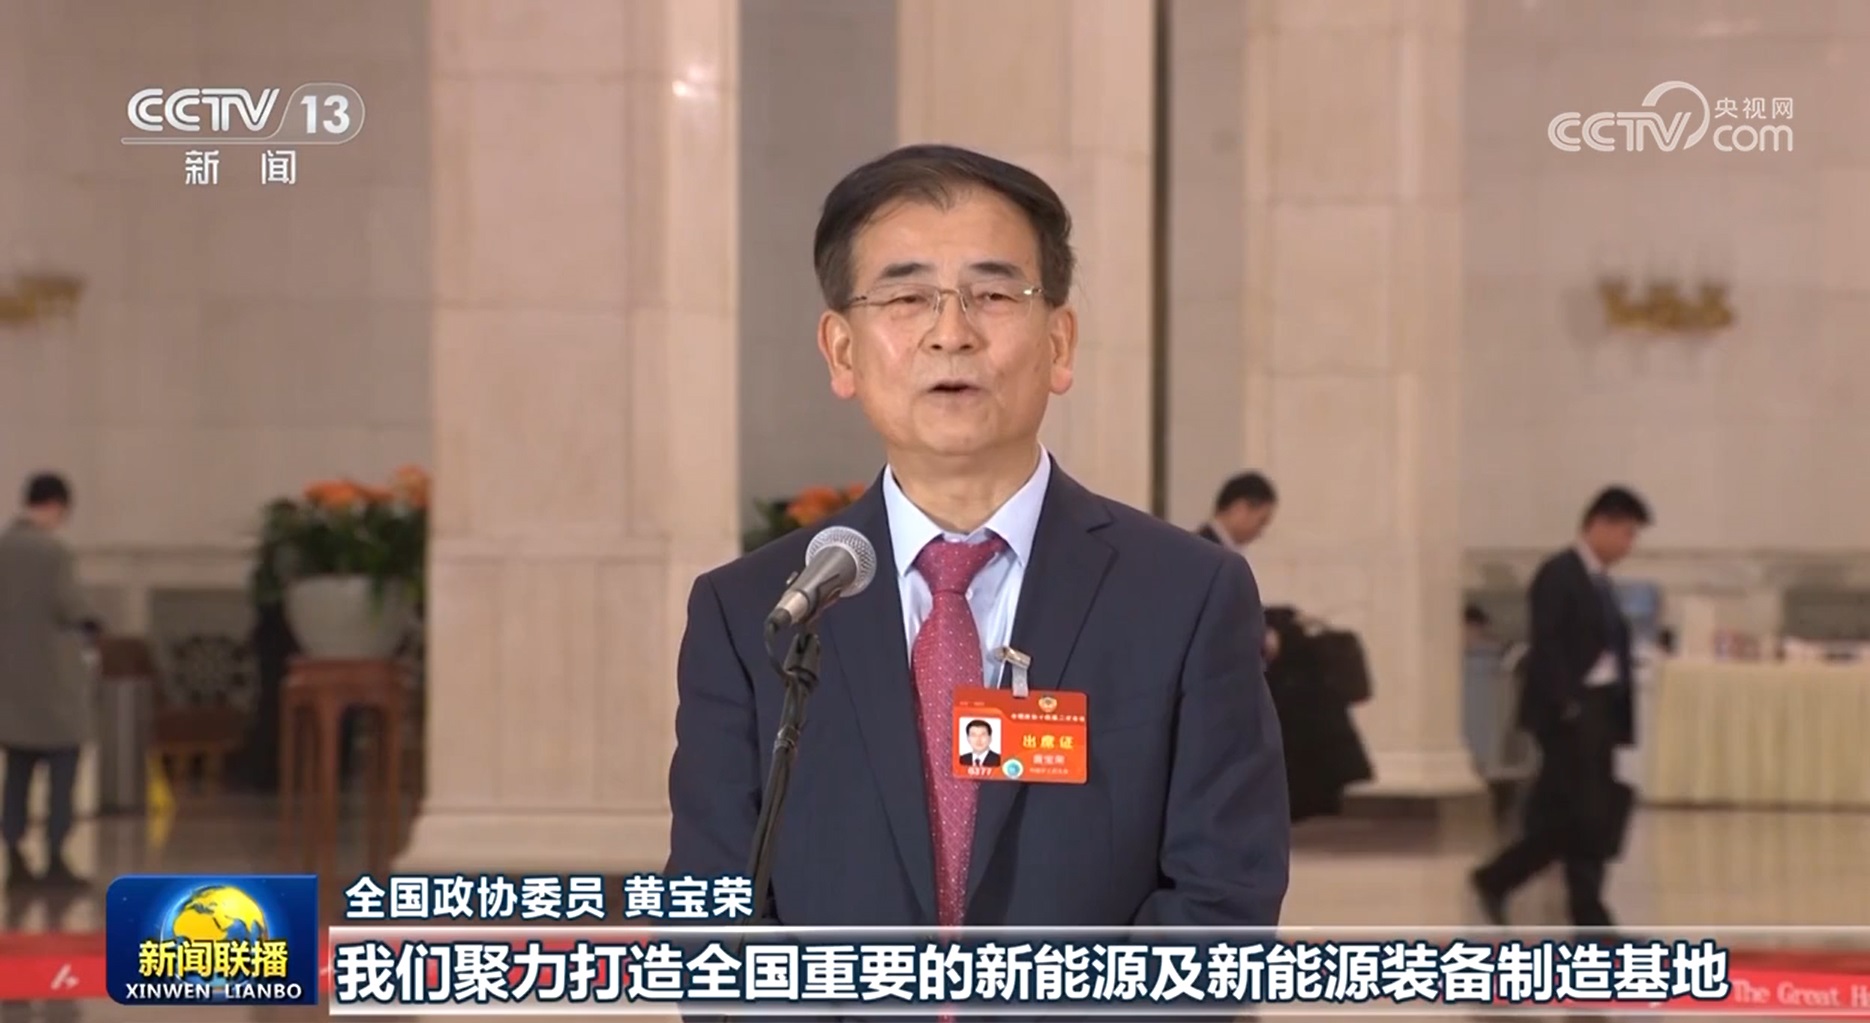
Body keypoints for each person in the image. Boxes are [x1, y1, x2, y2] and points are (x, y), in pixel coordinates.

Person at [667, 145, 1290, 936]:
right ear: (842, 352)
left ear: (1059, 343)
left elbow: (1222, 903)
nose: (951, 333)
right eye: (907, 297)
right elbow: (711, 918)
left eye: (992, 294)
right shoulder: (753, 612)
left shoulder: (1185, 596)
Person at [1471, 485, 1651, 932]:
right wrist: (1566, 705)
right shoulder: (1559, 574)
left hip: (1601, 710)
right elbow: (1548, 645)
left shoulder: (1601, 582)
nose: (1629, 545)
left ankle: (1584, 915)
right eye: (1626, 533)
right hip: (1571, 714)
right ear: (1600, 525)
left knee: (1588, 816)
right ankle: (1501, 879)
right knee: (1579, 816)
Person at [0, 472, 99, 891]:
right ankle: (56, 855)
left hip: (10, 686)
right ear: (57, 505)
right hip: (54, 686)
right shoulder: (54, 552)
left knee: (16, 774)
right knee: (61, 774)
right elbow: (71, 606)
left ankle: (14, 854)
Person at [1197, 472, 1277, 550]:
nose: (1260, 534)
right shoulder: (1207, 551)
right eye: (1261, 522)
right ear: (1240, 508)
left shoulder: (1201, 544)